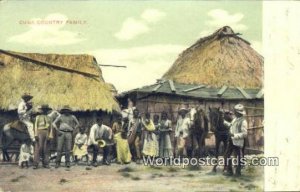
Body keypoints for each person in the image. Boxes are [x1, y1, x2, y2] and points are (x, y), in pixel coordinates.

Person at [223, 104, 248, 176]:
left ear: (239, 113)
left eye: (235, 112)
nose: (234, 113)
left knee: (238, 157)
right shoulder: (235, 119)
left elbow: (244, 134)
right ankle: (229, 171)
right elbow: (231, 125)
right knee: (226, 155)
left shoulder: (243, 121)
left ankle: (238, 172)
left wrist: (234, 135)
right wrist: (224, 122)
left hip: (237, 142)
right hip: (231, 140)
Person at [33, 104, 54, 169]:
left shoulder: (49, 118)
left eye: (46, 110)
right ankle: (36, 164)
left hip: (46, 132)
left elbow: (51, 127)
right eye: (43, 110)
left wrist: (50, 135)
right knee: (38, 148)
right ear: (41, 110)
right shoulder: (38, 117)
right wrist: (36, 134)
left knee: (46, 148)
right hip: (39, 131)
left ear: (47, 111)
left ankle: (46, 163)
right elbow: (36, 126)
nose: (44, 111)